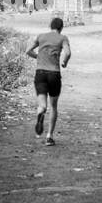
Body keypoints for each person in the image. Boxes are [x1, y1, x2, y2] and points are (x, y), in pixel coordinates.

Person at [26, 15, 71, 145]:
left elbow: (28, 51)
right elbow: (67, 53)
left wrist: (38, 58)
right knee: (54, 106)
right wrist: (64, 63)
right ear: (61, 28)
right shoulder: (62, 38)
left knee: (42, 105)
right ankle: (49, 136)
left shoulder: (40, 36)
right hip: (54, 74)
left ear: (50, 27)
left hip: (40, 73)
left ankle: (41, 112)